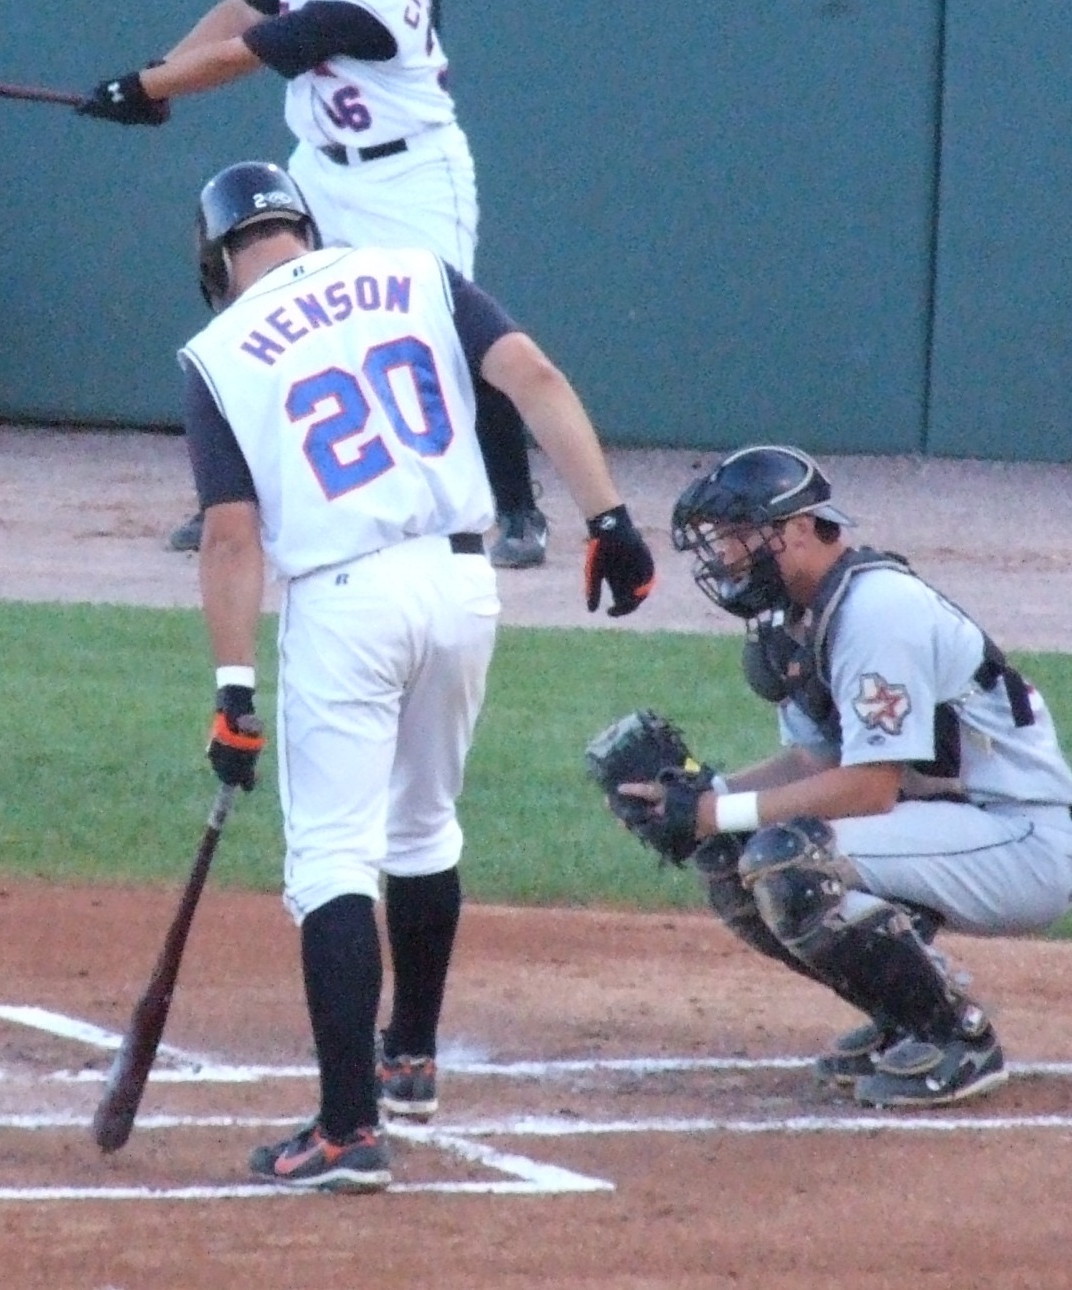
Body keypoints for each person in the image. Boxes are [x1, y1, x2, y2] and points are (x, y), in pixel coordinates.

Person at [182, 160, 654, 1191]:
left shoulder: (217, 352)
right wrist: (610, 519)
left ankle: (347, 1131)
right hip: (460, 584)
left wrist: (233, 689)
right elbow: (535, 377)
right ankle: (411, 1058)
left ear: (217, 257)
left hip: (345, 599)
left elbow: (230, 537)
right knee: (425, 825)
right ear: (304, 227)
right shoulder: (415, 271)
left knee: (332, 860)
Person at [621, 445, 1072, 1108]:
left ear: (798, 530)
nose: (724, 554)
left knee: (790, 859)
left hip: (1023, 839)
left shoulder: (876, 609)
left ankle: (957, 1037)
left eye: (737, 534)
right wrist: (708, 797)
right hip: (947, 827)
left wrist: (714, 813)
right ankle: (906, 1013)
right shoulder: (799, 617)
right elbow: (816, 763)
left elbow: (869, 789)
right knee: (731, 852)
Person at [78, 0, 551, 569]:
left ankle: (518, 510)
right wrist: (161, 76)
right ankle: (231, 503)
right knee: (264, 321)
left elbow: (244, 53)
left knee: (453, 334)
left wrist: (139, 87)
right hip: (320, 167)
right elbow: (243, 10)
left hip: (410, 173)